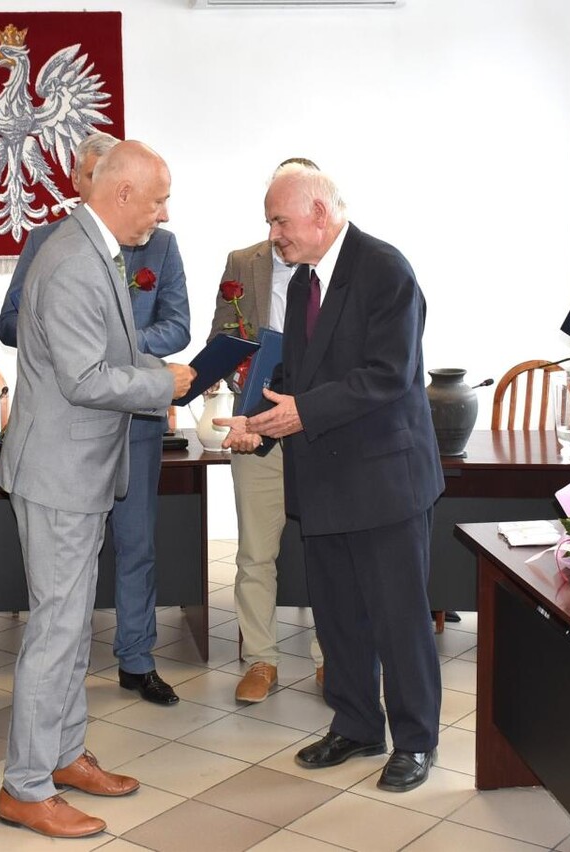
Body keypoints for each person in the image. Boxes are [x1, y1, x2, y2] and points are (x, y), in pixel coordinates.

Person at [218, 165, 444, 793]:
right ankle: (356, 724)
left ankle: (416, 740)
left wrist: (300, 412)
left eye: (279, 221)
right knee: (338, 614)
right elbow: (299, 376)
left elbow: (389, 374)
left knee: (398, 619)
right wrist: (257, 421)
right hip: (322, 477)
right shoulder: (303, 282)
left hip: (384, 479)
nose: (273, 235)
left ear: (319, 213)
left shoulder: (386, 270)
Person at [0, 140, 195, 838]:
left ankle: (63, 754)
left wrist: (162, 372)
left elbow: (111, 350)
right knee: (55, 631)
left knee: (73, 624)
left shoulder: (93, 246)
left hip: (78, 468)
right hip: (59, 473)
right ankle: (25, 786)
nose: (163, 214)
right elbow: (85, 379)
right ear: (123, 193)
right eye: (158, 200)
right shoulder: (75, 260)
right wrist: (161, 383)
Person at [207, 158, 325, 705]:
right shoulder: (243, 261)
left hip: (320, 426)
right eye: (272, 218)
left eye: (284, 218)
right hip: (255, 424)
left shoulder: (335, 265)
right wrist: (235, 373)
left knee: (327, 547)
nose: (277, 231)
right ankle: (261, 658)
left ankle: (330, 657)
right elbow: (222, 334)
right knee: (255, 551)